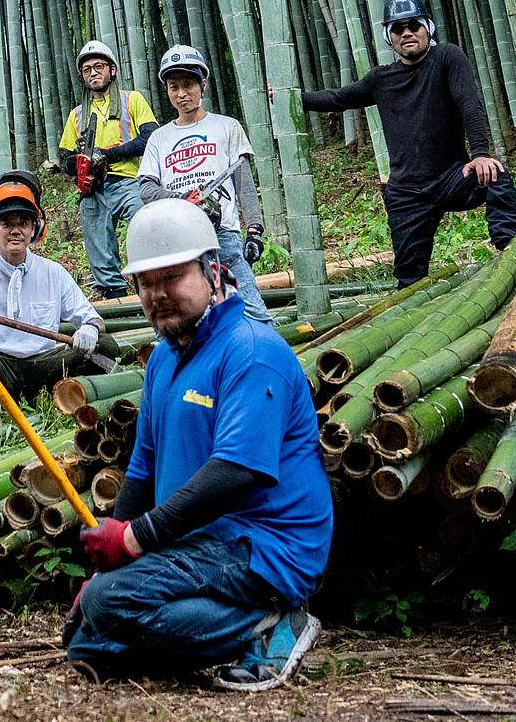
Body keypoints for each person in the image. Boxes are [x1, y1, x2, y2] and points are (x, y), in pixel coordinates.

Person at [65, 199, 330, 691]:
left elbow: (236, 472)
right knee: (86, 641)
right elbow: (142, 472)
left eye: (172, 277)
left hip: (262, 543)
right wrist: (110, 552)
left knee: (109, 605)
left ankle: (270, 625)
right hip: (199, 542)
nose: (159, 294)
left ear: (212, 272)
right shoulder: (164, 361)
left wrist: (134, 541)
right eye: (147, 282)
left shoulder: (251, 351)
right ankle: (221, 627)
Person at [296, 0, 516, 288]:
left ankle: (512, 254)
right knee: (410, 280)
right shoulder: (381, 79)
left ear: (427, 27)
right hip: (407, 192)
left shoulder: (446, 57)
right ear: (390, 37)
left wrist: (480, 153)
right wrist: (292, 98)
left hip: (451, 177)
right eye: (398, 28)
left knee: (495, 175)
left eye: (413, 25)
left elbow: (470, 103)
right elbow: (339, 98)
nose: (407, 33)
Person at [0, 170, 115, 403]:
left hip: (44, 363)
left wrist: (90, 330)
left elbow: (93, 319)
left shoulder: (53, 272)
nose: (15, 230)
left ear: (34, 229)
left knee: (105, 345)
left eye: (23, 223)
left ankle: (60, 396)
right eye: (6, 223)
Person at [137, 45, 270, 323]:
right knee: (190, 319)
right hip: (179, 240)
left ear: (203, 85)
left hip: (223, 235)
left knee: (253, 312)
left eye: (188, 84)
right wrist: (181, 198)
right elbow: (147, 188)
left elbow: (243, 181)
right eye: (174, 87)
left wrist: (255, 230)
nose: (181, 93)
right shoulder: (159, 138)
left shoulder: (226, 127)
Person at [54, 40, 159, 300]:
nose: (93, 73)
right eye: (87, 69)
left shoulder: (131, 100)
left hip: (129, 181)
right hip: (93, 188)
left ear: (112, 70)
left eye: (98, 66)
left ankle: (154, 283)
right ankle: (114, 294)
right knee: (97, 241)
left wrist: (106, 154)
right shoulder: (77, 115)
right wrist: (78, 161)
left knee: (145, 228)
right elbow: (65, 158)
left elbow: (150, 137)